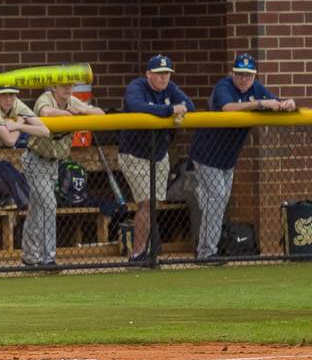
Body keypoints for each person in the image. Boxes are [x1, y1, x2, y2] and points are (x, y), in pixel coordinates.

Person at [188, 53, 297, 260]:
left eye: (248, 75)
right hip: (206, 154)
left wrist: (287, 103)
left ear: (254, 76)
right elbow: (227, 108)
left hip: (227, 157)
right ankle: (206, 252)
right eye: (240, 74)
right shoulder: (224, 86)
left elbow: (276, 102)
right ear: (232, 73)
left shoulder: (256, 89)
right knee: (217, 198)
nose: (244, 79)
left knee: (219, 200)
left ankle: (206, 249)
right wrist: (259, 104)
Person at [118, 55, 196, 262]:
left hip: (159, 154)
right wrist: (169, 110)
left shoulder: (171, 88)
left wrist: (178, 108)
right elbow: (136, 106)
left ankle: (147, 249)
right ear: (148, 74)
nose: (164, 78)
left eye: (167, 74)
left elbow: (190, 105)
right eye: (160, 74)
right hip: (135, 155)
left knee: (153, 204)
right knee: (145, 203)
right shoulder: (137, 87)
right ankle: (137, 253)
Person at [24, 82, 105, 268]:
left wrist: (82, 110)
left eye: (70, 86)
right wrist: (70, 114)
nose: (68, 89)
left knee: (37, 209)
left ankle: (29, 256)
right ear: (54, 87)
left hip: (54, 164)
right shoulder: (46, 98)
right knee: (49, 205)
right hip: (36, 159)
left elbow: (100, 114)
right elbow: (45, 113)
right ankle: (48, 258)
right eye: (63, 86)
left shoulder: (73, 101)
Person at [0, 85, 50, 274]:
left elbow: (44, 130)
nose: (9, 99)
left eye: (12, 95)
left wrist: (18, 124)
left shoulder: (16, 105)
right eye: (4, 95)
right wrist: (20, 125)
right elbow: (9, 141)